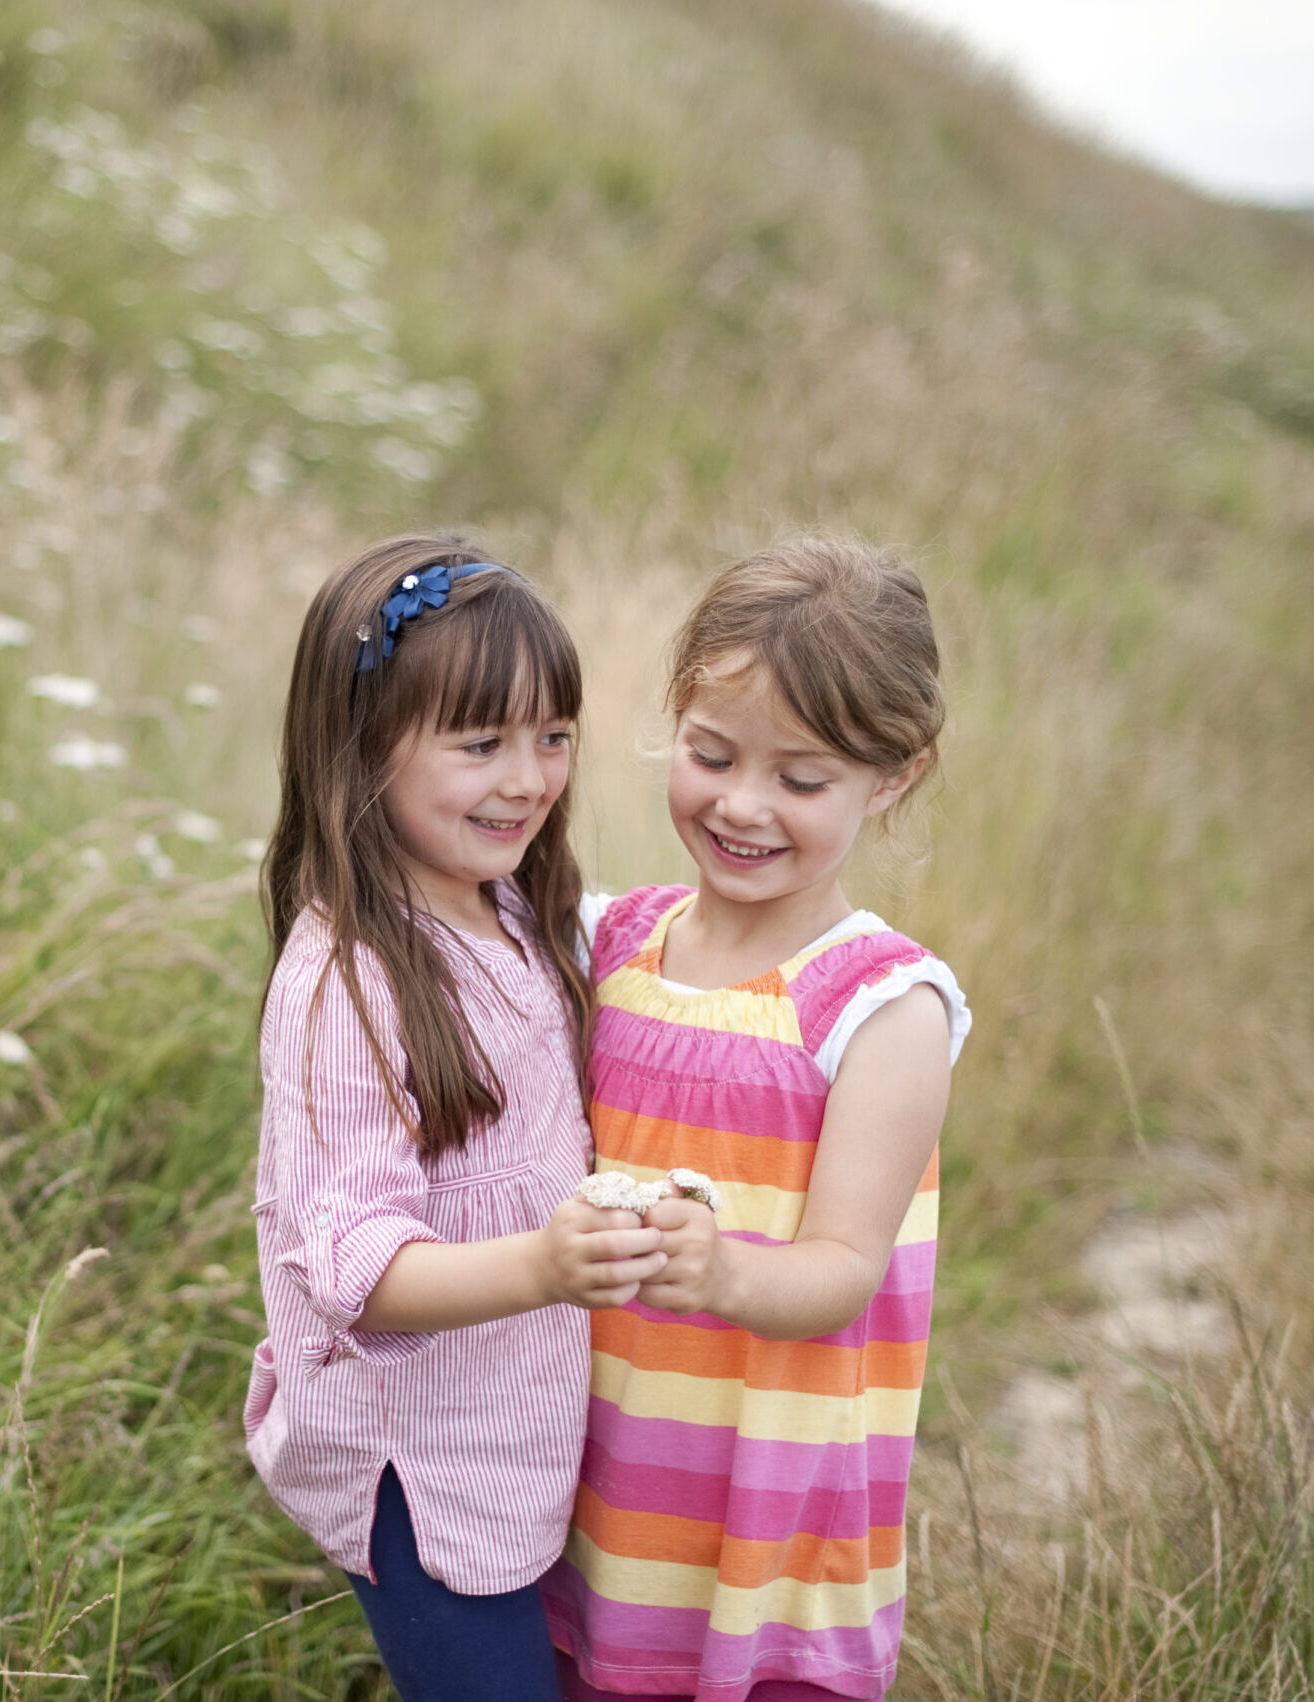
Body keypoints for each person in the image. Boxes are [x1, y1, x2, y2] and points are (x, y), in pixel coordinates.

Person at [543, 536, 972, 1701]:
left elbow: (840, 1265)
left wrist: (721, 1272)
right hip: (605, 1488)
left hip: (766, 1518)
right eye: (711, 753)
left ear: (895, 776)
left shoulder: (882, 1006)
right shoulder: (611, 941)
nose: (741, 805)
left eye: (801, 778)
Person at [243, 534, 668, 1702]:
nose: (529, 778)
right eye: (481, 743)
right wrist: (545, 1262)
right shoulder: (351, 983)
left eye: (552, 737)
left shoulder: (514, 905)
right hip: (419, 1467)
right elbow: (358, 1270)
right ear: (363, 749)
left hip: (519, 1420)